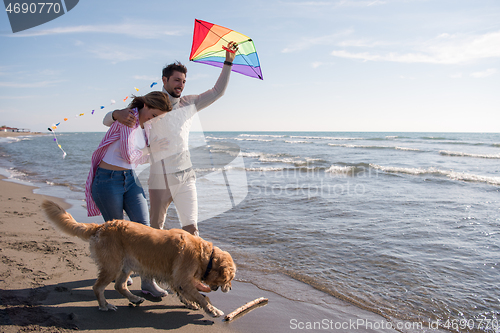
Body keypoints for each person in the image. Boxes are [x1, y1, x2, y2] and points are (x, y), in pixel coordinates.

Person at [103, 41, 238, 237]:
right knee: (155, 232)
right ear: (164, 80)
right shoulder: (151, 104)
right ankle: (150, 267)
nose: (181, 85)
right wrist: (116, 113)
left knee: (192, 231)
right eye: (176, 80)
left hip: (186, 176)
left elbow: (218, 92)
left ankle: (190, 268)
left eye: (183, 81)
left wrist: (228, 62)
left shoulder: (189, 103)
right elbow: (107, 120)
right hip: (159, 178)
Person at [85, 91, 172, 297]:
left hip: (130, 180)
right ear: (145, 106)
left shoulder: (146, 127)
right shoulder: (128, 118)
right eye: (153, 115)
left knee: (145, 232)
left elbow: (138, 159)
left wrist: (153, 149)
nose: (154, 120)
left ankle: (148, 282)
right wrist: (151, 150)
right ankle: (120, 274)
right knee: (118, 233)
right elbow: (129, 156)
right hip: (107, 181)